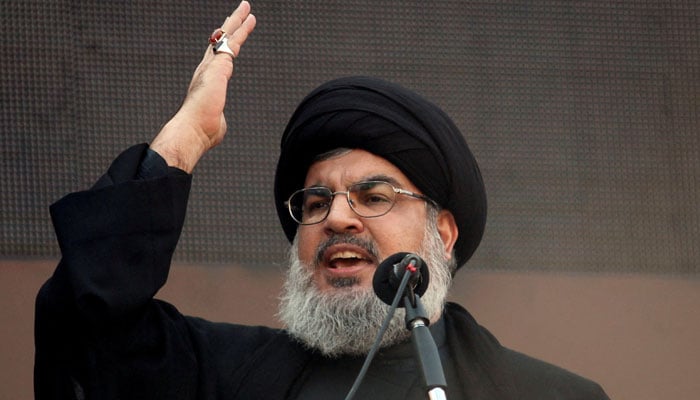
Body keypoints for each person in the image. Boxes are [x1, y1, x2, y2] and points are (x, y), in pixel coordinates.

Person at [34, 2, 609, 399]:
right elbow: (84, 327)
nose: (335, 217)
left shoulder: (548, 395)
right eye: (314, 204)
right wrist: (187, 137)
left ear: (444, 233)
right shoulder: (227, 378)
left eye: (373, 195)